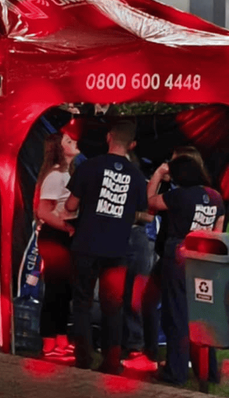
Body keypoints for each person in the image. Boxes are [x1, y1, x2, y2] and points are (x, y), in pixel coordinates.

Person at [64, 120, 149, 373]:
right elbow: (140, 211)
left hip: (86, 244)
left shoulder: (89, 166)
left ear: (109, 137)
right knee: (113, 305)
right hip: (117, 248)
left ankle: (83, 358)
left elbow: (70, 205)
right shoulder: (136, 175)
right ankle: (111, 361)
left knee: (82, 302)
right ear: (132, 144)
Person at [148, 155, 225, 386]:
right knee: (203, 316)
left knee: (177, 315)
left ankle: (176, 372)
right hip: (205, 257)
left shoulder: (180, 195)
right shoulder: (215, 196)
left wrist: (157, 175)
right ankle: (209, 371)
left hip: (179, 255)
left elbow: (150, 202)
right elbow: (218, 231)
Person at [33, 131, 80, 360]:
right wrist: (67, 227)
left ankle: (61, 337)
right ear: (59, 149)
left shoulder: (68, 174)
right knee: (55, 288)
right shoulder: (55, 175)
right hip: (55, 236)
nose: (75, 143)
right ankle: (48, 341)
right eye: (69, 141)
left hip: (65, 236)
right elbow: (43, 211)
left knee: (65, 289)